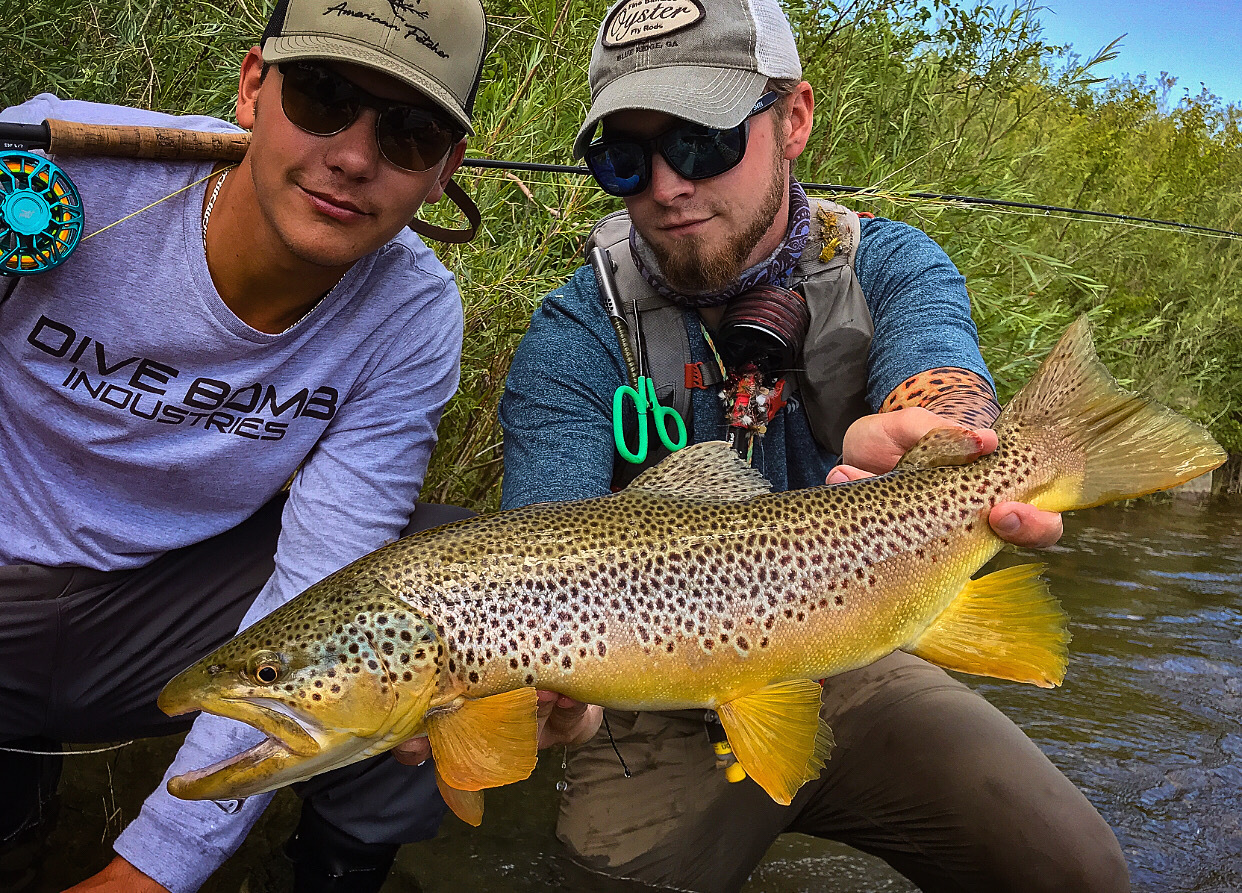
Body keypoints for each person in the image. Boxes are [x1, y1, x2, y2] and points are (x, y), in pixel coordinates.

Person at [495, 0, 1132, 890]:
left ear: (792, 119)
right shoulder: (575, 330)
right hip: (662, 696)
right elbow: (533, 568)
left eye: (702, 139)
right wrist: (557, 706)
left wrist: (949, 432)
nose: (668, 185)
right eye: (625, 157)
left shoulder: (891, 266)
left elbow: (940, 374)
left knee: (1076, 871)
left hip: (864, 641)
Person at [0, 1, 587, 891]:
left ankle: (331, 872)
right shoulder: (52, 173)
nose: (353, 156)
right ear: (251, 88)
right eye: (320, 96)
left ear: (445, 171)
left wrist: (153, 870)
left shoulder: (412, 315)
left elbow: (322, 569)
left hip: (170, 622)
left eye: (410, 131)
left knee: (456, 597)